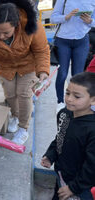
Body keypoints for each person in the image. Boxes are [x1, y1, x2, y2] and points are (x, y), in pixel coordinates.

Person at [0, 0, 50, 145]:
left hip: (28, 66)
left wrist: (43, 71)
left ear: (17, 25)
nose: (1, 36)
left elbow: (41, 51)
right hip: (5, 67)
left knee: (24, 94)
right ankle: (16, 115)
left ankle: (23, 128)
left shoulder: (32, 26)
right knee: (10, 94)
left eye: (6, 33)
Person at [41, 72, 95, 200]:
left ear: (93, 99)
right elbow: (60, 137)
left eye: (77, 96)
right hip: (61, 174)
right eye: (67, 93)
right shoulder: (64, 114)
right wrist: (51, 155)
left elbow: (92, 166)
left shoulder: (92, 130)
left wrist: (73, 188)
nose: (69, 99)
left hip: (80, 187)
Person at [50, 0, 95, 112]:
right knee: (62, 73)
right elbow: (53, 18)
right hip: (63, 40)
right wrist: (67, 16)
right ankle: (60, 102)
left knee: (78, 75)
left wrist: (90, 21)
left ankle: (76, 102)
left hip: (82, 40)